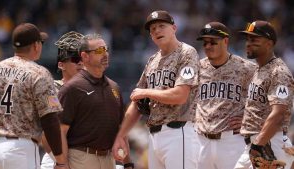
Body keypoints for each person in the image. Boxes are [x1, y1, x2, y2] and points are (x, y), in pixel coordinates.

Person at [112, 10, 200, 169]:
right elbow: (137, 102)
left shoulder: (187, 52)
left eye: (161, 26)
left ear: (174, 28)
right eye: (152, 29)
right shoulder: (152, 61)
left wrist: (146, 92)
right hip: (154, 136)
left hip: (179, 133)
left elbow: (180, 95)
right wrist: (120, 135)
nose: (157, 31)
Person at [0, 23, 68, 169]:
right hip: (19, 149)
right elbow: (50, 120)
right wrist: (60, 159)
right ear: (36, 46)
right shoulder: (39, 73)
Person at [57, 33, 130, 169]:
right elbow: (60, 131)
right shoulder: (72, 88)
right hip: (81, 158)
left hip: (109, 159)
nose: (105, 54)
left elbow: (121, 129)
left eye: (106, 49)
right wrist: (62, 164)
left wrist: (128, 163)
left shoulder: (114, 87)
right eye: (99, 51)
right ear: (85, 56)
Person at [195, 21, 256, 169]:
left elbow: (270, 101)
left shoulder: (247, 68)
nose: (208, 46)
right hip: (200, 141)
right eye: (205, 43)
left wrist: (250, 119)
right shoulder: (196, 68)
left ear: (225, 41)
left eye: (212, 42)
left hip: (232, 141)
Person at [235, 20, 294, 169]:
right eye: (247, 39)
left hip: (268, 144)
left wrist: (258, 144)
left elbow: (279, 114)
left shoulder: (278, 72)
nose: (248, 43)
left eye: (254, 39)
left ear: (269, 43)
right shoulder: (260, 69)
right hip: (256, 143)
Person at [41, 31, 84, 169]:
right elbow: (47, 132)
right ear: (61, 65)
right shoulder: (51, 89)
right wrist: (61, 161)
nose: (81, 64)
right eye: (75, 60)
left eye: (83, 59)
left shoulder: (92, 89)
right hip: (56, 159)